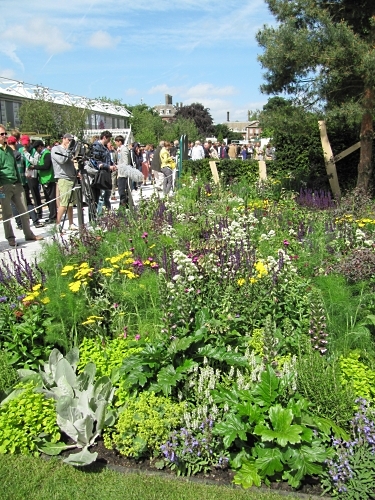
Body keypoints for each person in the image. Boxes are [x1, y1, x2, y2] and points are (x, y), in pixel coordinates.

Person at [0, 124, 43, 247]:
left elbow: (14, 167)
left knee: (24, 211)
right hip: (4, 185)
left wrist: (20, 181)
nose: (4, 136)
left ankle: (29, 234)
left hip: (17, 183)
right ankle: (10, 237)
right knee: (7, 214)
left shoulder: (9, 149)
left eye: (5, 133)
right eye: (1, 134)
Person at [6, 135, 42, 229]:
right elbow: (25, 167)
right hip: (23, 181)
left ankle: (20, 224)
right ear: (16, 143)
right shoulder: (21, 154)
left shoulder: (8, 156)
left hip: (12, 182)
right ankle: (35, 221)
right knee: (28, 201)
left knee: (13, 204)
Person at [51, 133, 78, 231]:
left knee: (70, 203)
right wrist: (67, 150)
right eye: (69, 140)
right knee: (64, 203)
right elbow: (62, 160)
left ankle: (71, 223)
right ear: (64, 139)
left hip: (71, 177)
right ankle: (57, 224)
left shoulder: (70, 150)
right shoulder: (56, 149)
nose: (70, 142)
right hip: (63, 178)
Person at [30, 140, 57, 223]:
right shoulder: (43, 154)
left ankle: (53, 217)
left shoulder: (47, 154)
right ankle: (51, 216)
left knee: (51, 199)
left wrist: (35, 167)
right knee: (48, 199)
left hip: (49, 179)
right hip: (44, 179)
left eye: (36, 148)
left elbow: (46, 166)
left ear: (40, 147)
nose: (36, 150)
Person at [20, 135, 43, 221]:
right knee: (26, 196)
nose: (25, 146)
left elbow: (36, 162)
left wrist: (26, 154)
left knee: (35, 194)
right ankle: (30, 212)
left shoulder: (34, 151)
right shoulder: (20, 150)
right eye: (23, 144)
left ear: (29, 142)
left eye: (26, 144)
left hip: (32, 175)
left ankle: (39, 212)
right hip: (24, 176)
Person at [92, 130, 117, 210]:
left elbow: (107, 159)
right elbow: (97, 162)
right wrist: (108, 167)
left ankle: (108, 215)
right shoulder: (96, 146)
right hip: (101, 174)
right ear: (104, 137)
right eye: (108, 139)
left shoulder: (105, 147)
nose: (109, 141)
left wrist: (112, 164)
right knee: (101, 197)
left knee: (106, 196)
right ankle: (100, 217)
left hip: (107, 173)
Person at [114, 135, 130, 207]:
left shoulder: (124, 150)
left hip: (123, 174)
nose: (115, 143)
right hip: (121, 173)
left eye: (116, 142)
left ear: (120, 142)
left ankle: (123, 207)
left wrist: (117, 167)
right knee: (121, 191)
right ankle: (123, 206)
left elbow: (125, 162)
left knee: (122, 191)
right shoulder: (120, 149)